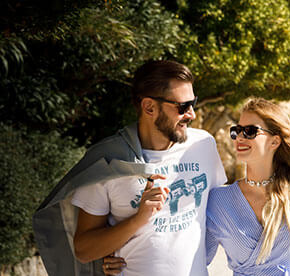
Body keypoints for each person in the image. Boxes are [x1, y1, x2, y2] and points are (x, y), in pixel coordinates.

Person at [33, 60, 227, 276]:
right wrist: (138, 220)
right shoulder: (109, 161)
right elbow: (84, 250)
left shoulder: (203, 145)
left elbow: (220, 211)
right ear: (149, 107)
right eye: (182, 107)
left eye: (193, 103)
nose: (191, 114)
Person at [206, 97, 290, 275]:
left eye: (249, 131)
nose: (239, 137)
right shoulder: (218, 202)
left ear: (274, 141)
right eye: (236, 131)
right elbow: (193, 261)